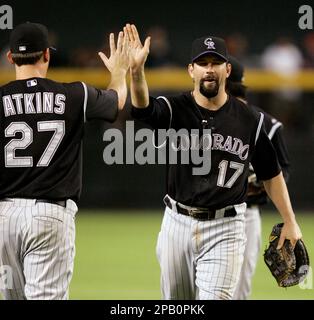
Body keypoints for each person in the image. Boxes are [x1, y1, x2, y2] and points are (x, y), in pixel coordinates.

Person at [126, 23, 302, 300]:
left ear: (227, 70)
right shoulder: (176, 109)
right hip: (177, 222)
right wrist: (136, 72)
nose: (209, 68)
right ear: (191, 70)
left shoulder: (249, 120)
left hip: (227, 227)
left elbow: (272, 172)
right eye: (203, 62)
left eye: (216, 62)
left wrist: (290, 221)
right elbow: (143, 109)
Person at [0, 22, 130, 300]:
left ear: (10, 58)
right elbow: (118, 101)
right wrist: (119, 72)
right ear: (47, 55)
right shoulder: (75, 94)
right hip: (50, 214)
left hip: (3, 217)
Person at [226, 56, 290, 300]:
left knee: (239, 290)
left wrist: (257, 180)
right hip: (208, 210)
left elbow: (283, 170)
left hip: (246, 213)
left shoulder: (267, 125)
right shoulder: (205, 121)